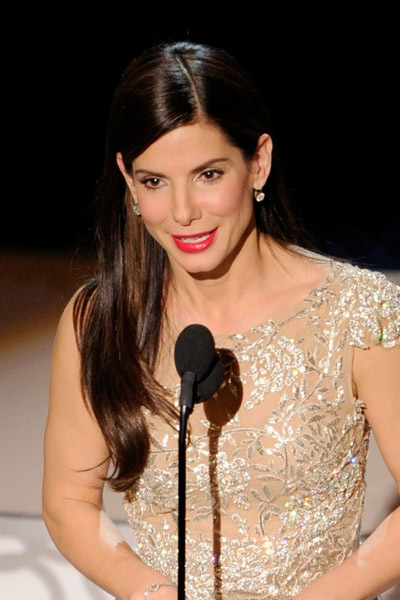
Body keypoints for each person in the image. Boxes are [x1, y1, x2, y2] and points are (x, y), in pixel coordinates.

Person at [42, 41, 400, 600]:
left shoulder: (357, 311)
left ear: (258, 161)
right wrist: (152, 593)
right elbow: (68, 501)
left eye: (208, 174)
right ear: (127, 181)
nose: (183, 211)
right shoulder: (100, 322)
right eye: (154, 181)